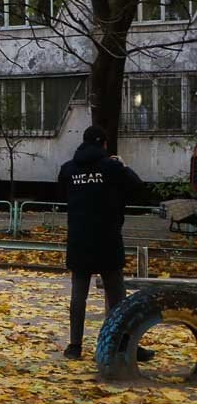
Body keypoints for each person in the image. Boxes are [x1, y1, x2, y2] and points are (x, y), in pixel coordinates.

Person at [58, 126, 153, 362]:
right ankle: (125, 344)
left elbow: (62, 196)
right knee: (118, 298)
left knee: (78, 296)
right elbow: (139, 189)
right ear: (103, 144)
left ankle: (74, 347)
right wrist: (123, 166)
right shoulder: (112, 167)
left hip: (79, 240)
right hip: (107, 240)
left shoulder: (69, 169)